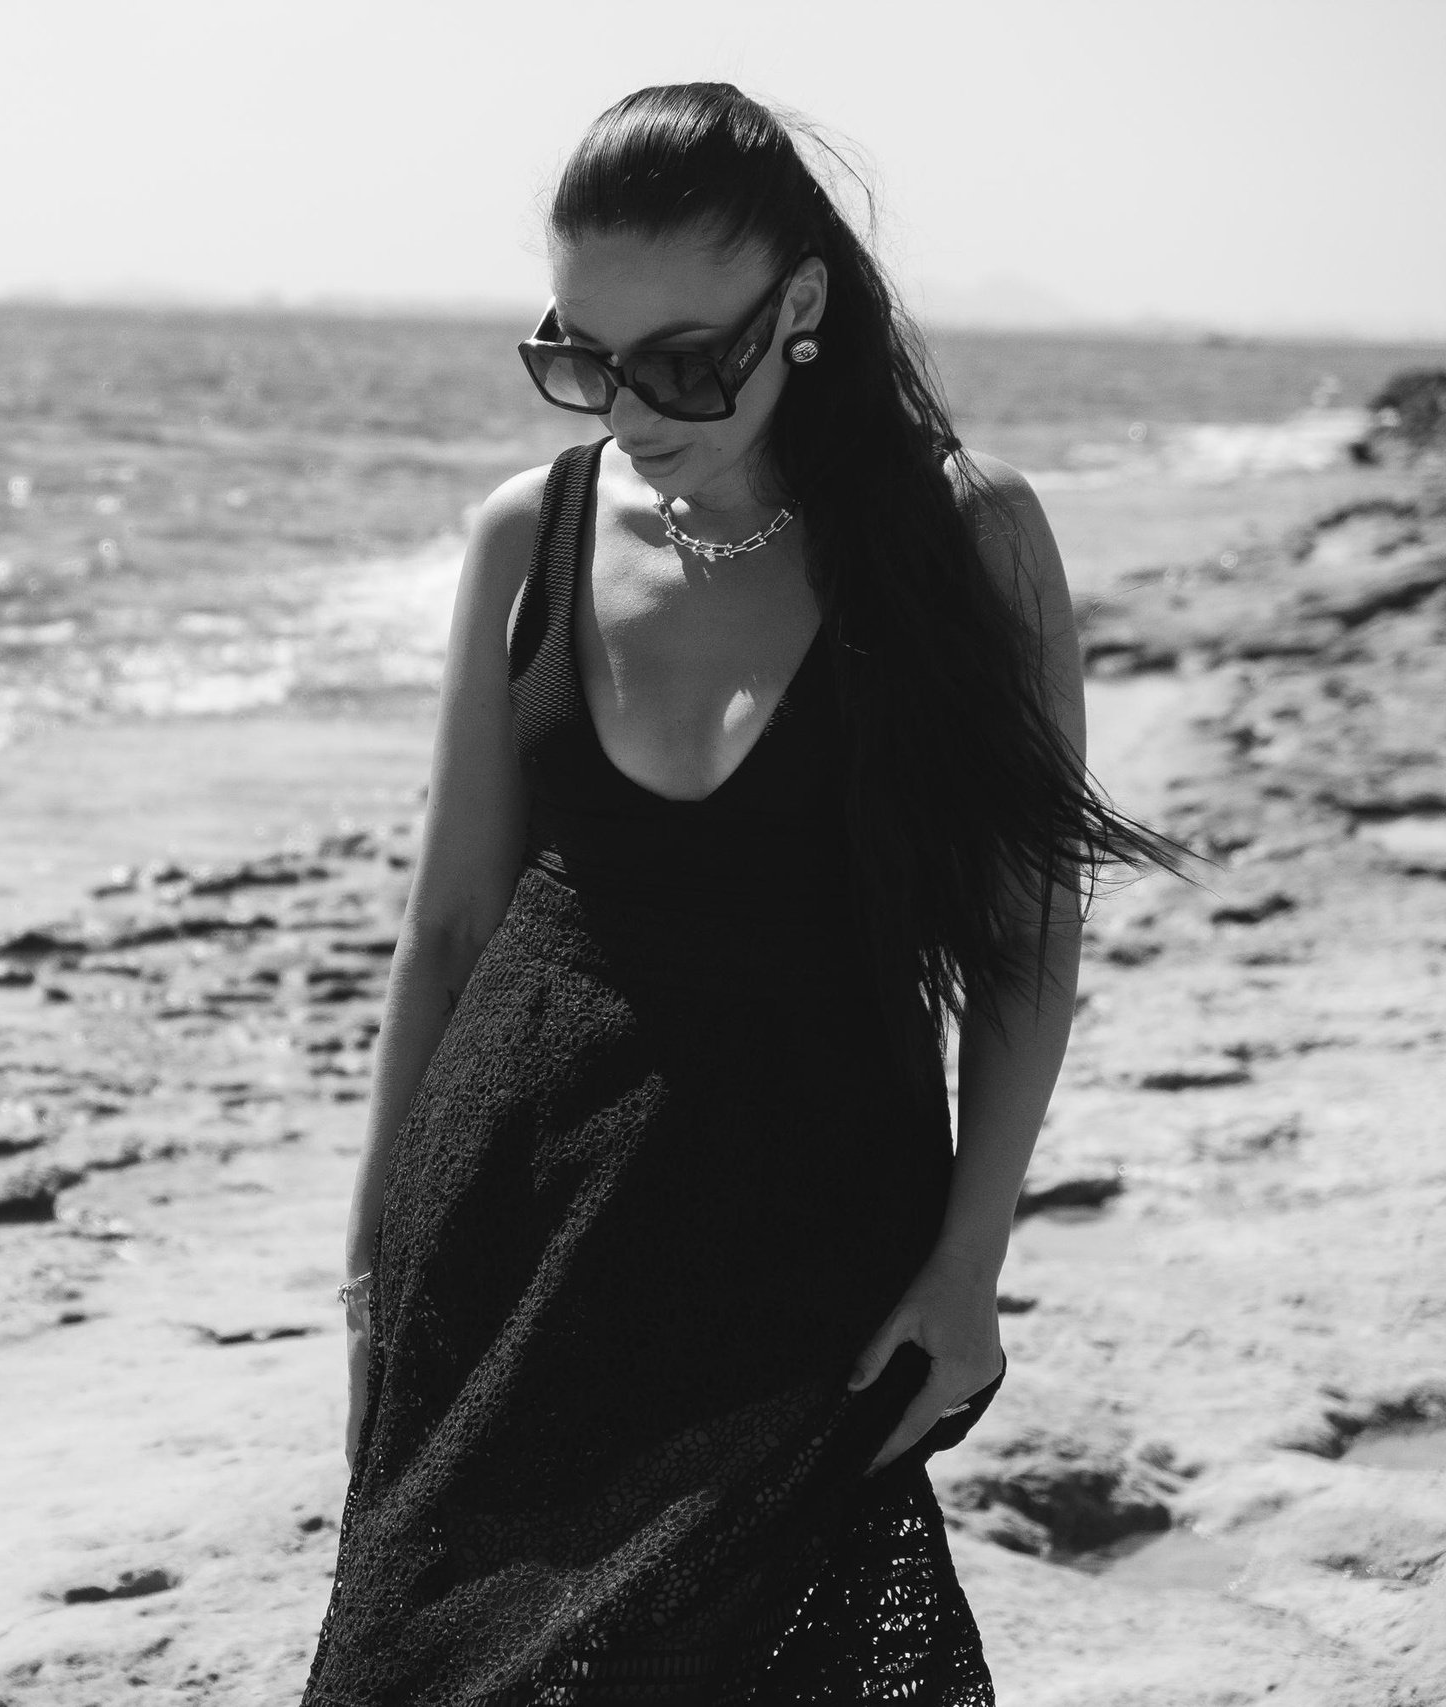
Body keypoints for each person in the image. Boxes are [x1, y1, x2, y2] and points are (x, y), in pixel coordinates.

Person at [297, 83, 1180, 1706]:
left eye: (685, 360)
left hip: (810, 1230)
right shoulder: (528, 535)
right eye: (582, 359)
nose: (630, 408)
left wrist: (971, 1263)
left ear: (806, 306)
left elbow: (1021, 942)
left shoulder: (965, 542)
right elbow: (446, 927)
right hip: (510, 1211)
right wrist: (374, 1259)